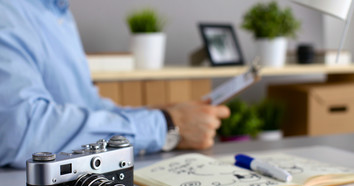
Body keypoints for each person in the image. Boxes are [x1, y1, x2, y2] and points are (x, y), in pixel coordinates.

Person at [0, 0, 230, 168]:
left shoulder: (58, 13)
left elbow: (86, 105)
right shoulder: (8, 11)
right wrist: (166, 125)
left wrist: (159, 114)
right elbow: (21, 130)